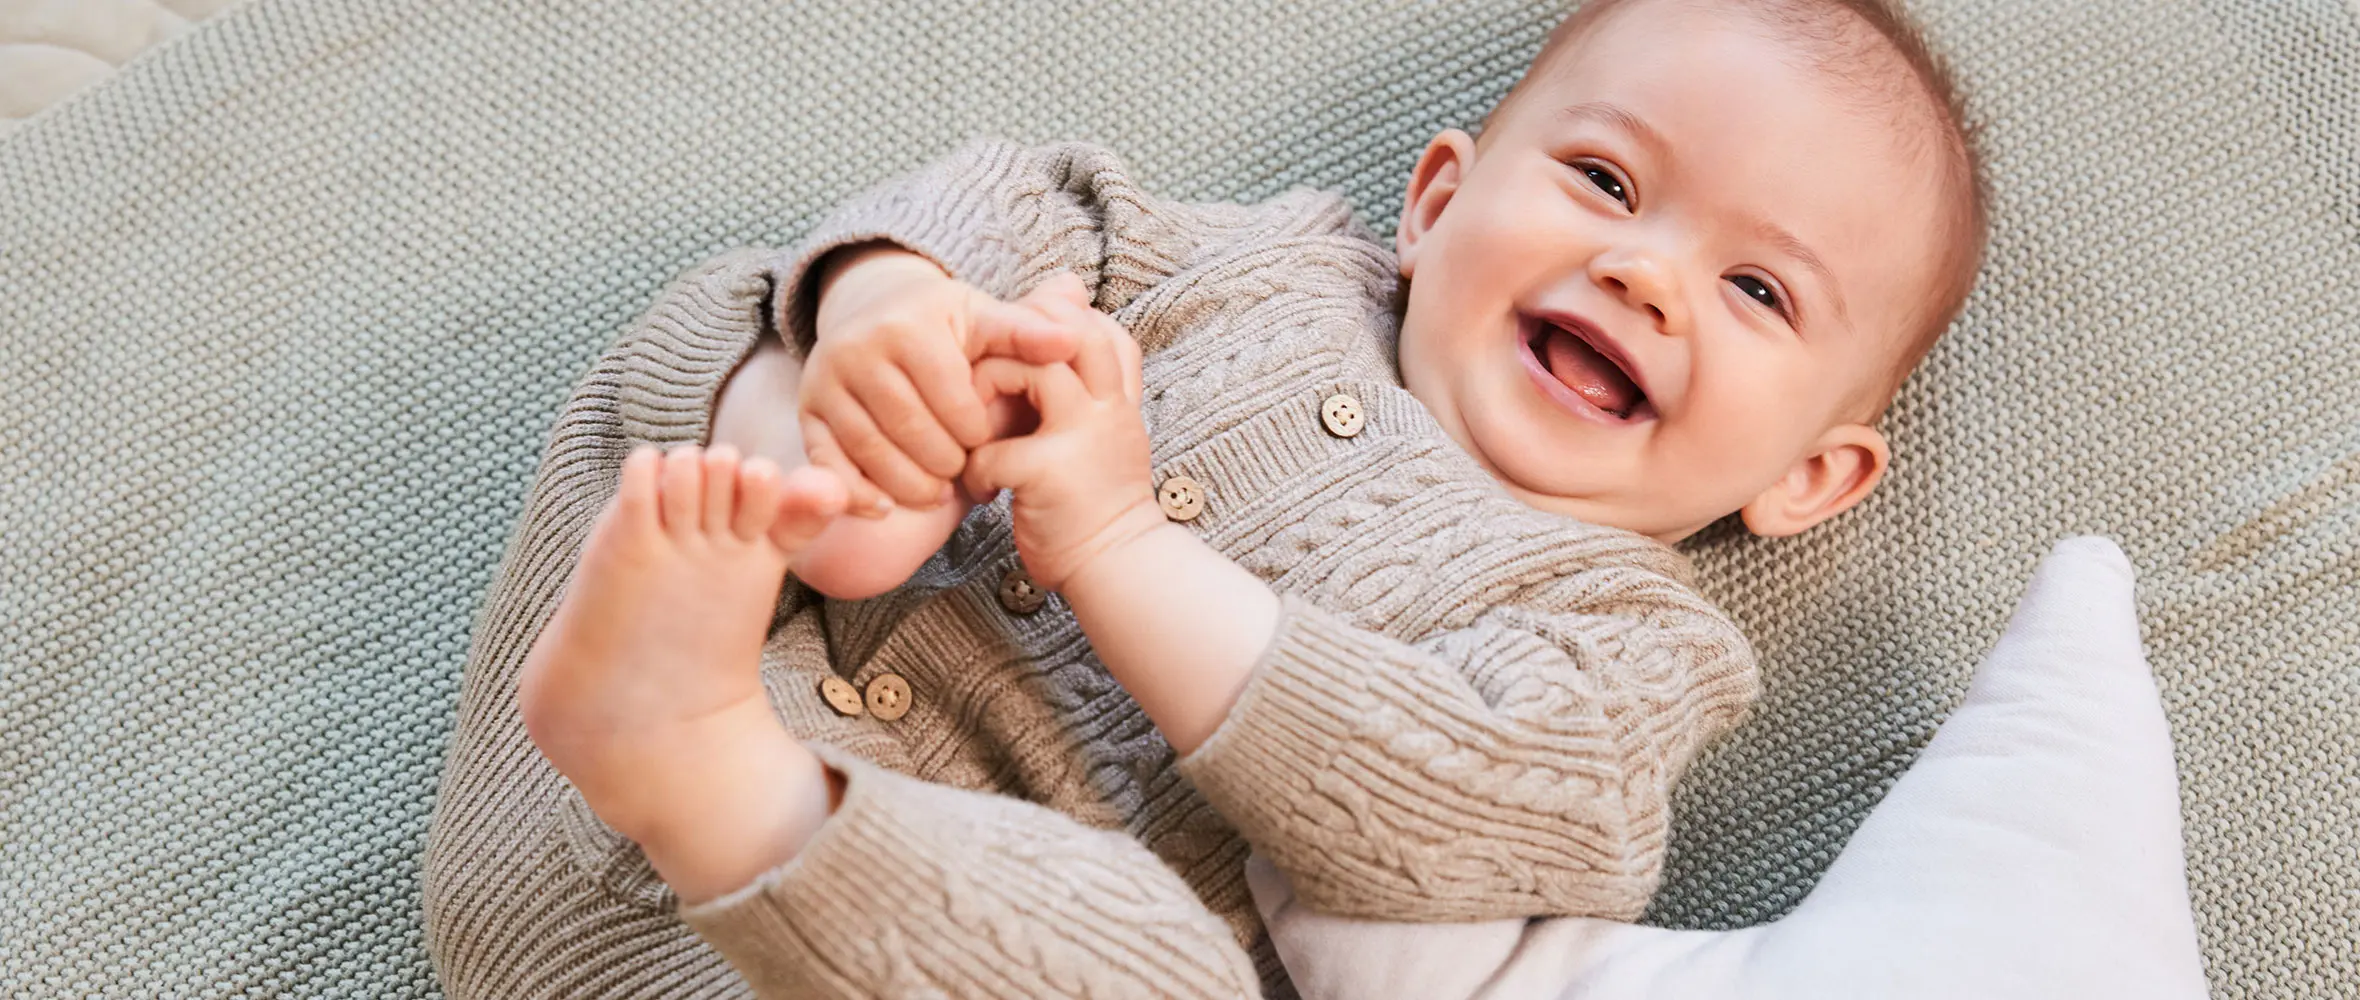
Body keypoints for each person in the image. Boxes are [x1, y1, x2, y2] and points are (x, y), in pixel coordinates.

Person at [421, 0, 1987, 995]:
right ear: (1435, 204)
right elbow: (1025, 194)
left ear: (1811, 477)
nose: (1645, 273)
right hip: (569, 820)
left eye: (1760, 290)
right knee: (743, 313)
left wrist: (1115, 543)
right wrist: (888, 315)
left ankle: (714, 775)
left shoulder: (1614, 631)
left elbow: (1506, 812)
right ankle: (821, 496)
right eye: (1606, 181)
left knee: (1163, 973)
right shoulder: (1257, 265)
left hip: (901, 952)